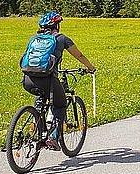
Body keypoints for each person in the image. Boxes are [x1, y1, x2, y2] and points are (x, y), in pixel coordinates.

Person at [22, 12, 96, 150]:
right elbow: (79, 55)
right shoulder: (61, 38)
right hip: (48, 80)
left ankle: (36, 128)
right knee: (61, 104)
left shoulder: (34, 39)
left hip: (28, 80)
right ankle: (53, 137)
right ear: (57, 25)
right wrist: (90, 68)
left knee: (40, 99)